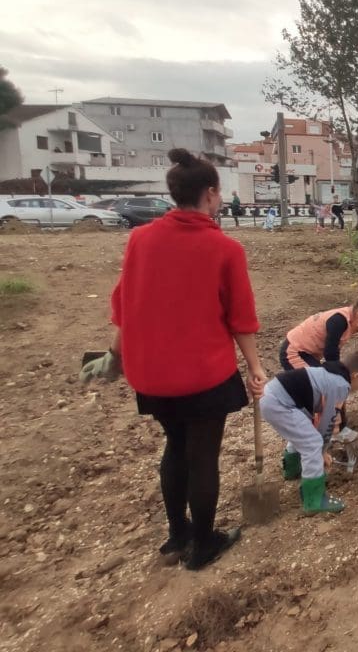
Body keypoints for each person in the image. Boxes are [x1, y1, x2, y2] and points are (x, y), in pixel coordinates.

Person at [80, 148, 267, 571]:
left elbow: (125, 305)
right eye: (218, 194)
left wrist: (114, 356)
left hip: (151, 377)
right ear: (211, 194)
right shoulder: (224, 248)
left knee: (175, 448)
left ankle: (177, 533)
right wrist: (255, 367)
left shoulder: (140, 239)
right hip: (202, 376)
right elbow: (241, 318)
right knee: (203, 456)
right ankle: (203, 544)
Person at [260, 348, 358, 513]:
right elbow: (327, 422)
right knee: (312, 442)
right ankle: (314, 500)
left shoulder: (332, 373)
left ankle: (292, 469)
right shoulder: (340, 385)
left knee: (303, 429)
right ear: (357, 376)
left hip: (274, 396)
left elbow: (318, 416)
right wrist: (322, 452)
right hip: (279, 402)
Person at [279, 290, 358, 371]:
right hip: (294, 352)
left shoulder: (348, 319)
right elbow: (330, 353)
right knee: (316, 383)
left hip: (308, 354)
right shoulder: (339, 321)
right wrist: (339, 372)